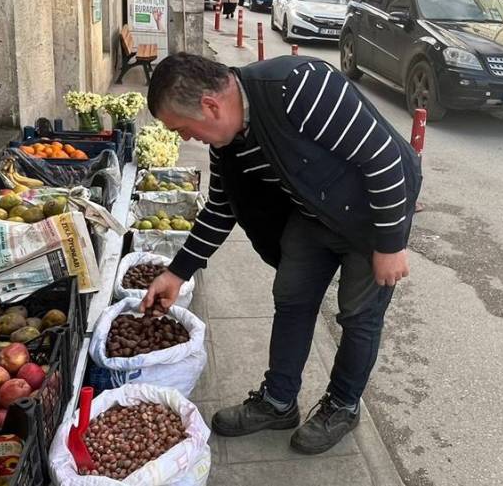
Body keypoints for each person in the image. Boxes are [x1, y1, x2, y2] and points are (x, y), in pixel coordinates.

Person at [141, 53, 421, 454]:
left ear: (209, 105)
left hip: (370, 214)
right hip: (313, 213)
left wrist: (390, 243)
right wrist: (177, 272)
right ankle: (278, 401)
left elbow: (384, 159)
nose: (186, 139)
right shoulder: (227, 144)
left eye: (183, 129)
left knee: (359, 317)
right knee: (291, 299)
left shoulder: (298, 87)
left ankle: (342, 405)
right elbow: (221, 208)